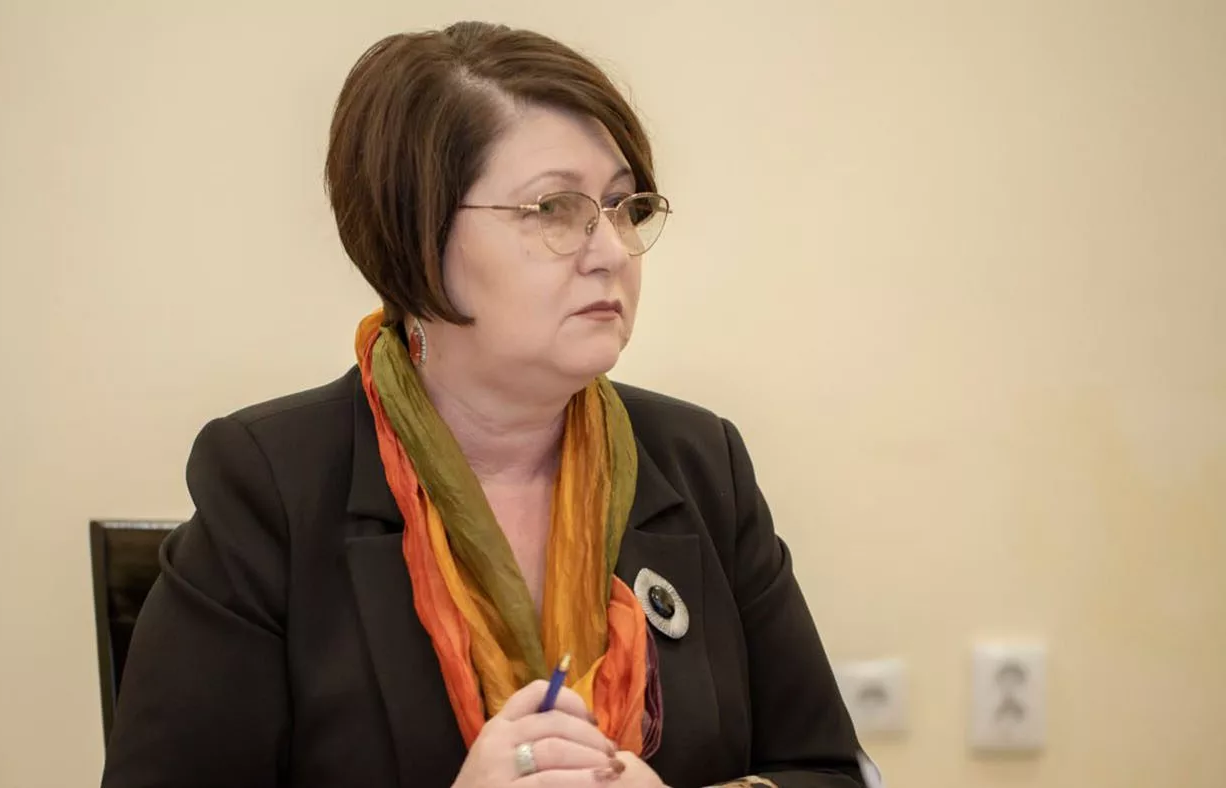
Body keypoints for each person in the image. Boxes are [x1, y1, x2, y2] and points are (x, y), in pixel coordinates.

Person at [101, 21, 866, 788]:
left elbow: (830, 771)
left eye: (621, 206)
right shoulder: (272, 488)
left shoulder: (700, 461)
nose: (610, 251)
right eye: (554, 208)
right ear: (416, 232)